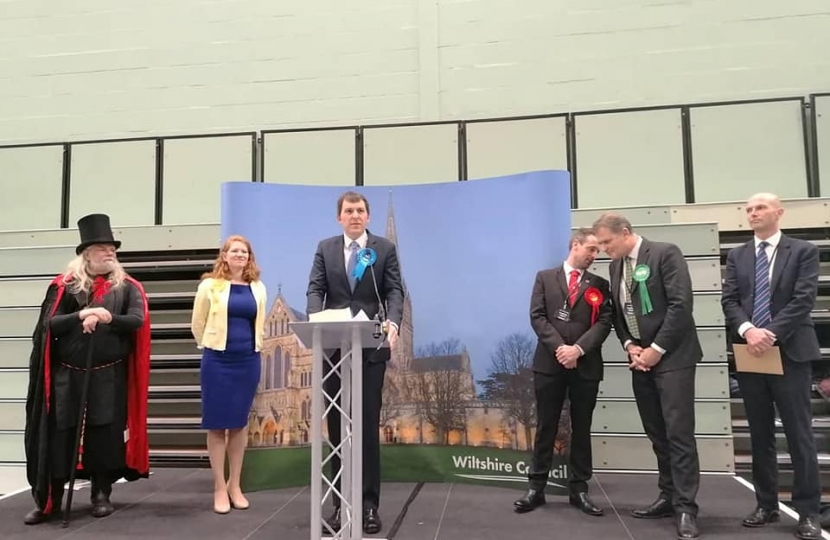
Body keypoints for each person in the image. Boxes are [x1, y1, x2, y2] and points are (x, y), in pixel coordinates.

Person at [23, 213, 151, 524]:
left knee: (104, 432)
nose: (110, 253)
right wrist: (84, 314)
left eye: (112, 248)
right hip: (67, 375)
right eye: (103, 248)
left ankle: (101, 493)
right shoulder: (64, 287)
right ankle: (50, 496)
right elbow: (48, 325)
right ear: (86, 253)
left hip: (108, 374)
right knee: (59, 433)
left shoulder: (127, 287)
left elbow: (137, 320)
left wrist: (108, 317)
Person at [593, 212, 702, 540]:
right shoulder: (616, 266)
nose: (603, 249)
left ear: (625, 233)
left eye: (607, 242)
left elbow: (681, 306)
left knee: (678, 434)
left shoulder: (666, 253)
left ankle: (686, 508)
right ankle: (667, 496)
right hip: (640, 360)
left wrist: (656, 348)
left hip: (673, 359)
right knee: (657, 433)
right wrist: (630, 345)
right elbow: (620, 311)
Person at [721, 193, 822, 540]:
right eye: (748, 209)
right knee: (759, 432)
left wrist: (771, 333)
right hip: (751, 353)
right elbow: (730, 300)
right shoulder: (737, 255)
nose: (752, 213)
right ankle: (766, 504)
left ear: (778, 212)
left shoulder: (803, 251)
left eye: (759, 208)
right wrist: (749, 331)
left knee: (799, 435)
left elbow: (804, 299)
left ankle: (808, 512)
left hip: (791, 352)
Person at [306, 190, 404, 535]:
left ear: (368, 216)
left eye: (360, 210)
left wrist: (393, 321)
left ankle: (368, 506)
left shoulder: (382, 250)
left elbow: (395, 291)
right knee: (337, 431)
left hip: (370, 351)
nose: (354, 215)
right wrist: (317, 318)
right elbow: (315, 289)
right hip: (333, 352)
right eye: (348, 211)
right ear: (339, 217)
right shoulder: (325, 249)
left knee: (365, 430)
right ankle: (338, 505)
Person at [514, 228, 613, 516]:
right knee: (546, 425)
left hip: (586, 366)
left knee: (582, 428)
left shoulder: (601, 285)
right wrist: (561, 349)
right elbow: (537, 316)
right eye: (591, 249)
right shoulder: (544, 278)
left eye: (597, 251)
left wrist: (578, 351)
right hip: (549, 364)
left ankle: (579, 490)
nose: (595, 255)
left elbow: (604, 323)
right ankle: (536, 488)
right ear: (575, 245)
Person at [191, 235, 267, 514]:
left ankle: (235, 485)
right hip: (218, 361)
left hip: (248, 361)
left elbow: (259, 323)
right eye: (234, 251)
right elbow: (197, 324)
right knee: (217, 425)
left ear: (249, 257)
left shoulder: (258, 288)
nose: (239, 255)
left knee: (238, 423)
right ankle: (219, 487)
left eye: (244, 251)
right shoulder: (209, 286)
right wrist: (213, 344)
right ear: (224, 255)